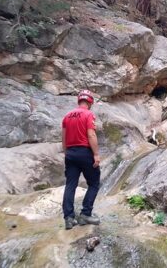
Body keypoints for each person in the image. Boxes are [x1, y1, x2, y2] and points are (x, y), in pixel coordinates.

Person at [61, 90, 102, 229]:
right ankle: (85, 214)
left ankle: (68, 218)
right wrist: (96, 154)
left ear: (79, 101)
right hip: (84, 152)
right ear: (90, 102)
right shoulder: (88, 114)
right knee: (94, 183)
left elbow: (64, 138)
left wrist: (67, 153)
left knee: (70, 184)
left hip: (70, 153)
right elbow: (91, 135)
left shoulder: (67, 116)